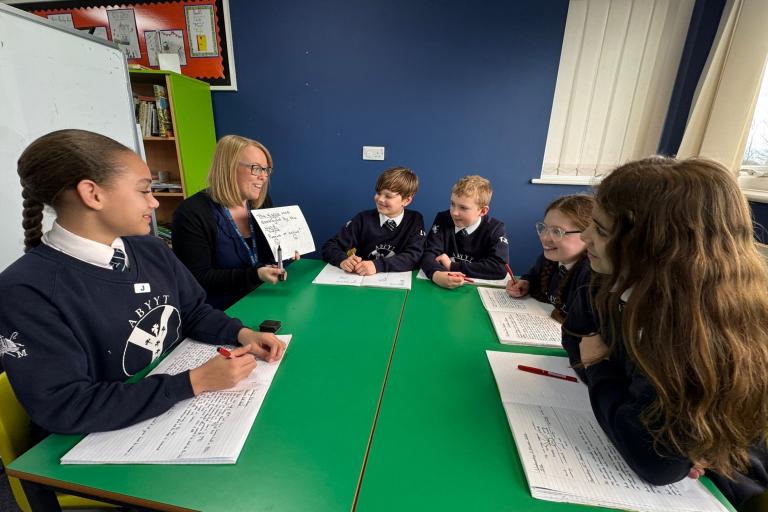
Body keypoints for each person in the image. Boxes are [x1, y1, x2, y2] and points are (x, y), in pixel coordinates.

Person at [0, 129, 286, 435]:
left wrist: (241, 333)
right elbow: (65, 406)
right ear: (92, 194)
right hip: (98, 443)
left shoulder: (148, 248)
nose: (154, 202)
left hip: (169, 408)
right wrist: (196, 381)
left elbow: (193, 311)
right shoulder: (25, 289)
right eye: (143, 190)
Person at [562, 156, 768, 510]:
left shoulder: (697, 331)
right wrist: (619, 392)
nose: (584, 237)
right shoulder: (610, 278)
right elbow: (574, 338)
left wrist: (598, 366)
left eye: (602, 230)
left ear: (656, 249)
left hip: (726, 486)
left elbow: (656, 462)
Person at [172, 135, 289, 310]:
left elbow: (265, 256)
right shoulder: (192, 213)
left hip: (263, 297)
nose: (263, 177)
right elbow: (197, 277)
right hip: (219, 311)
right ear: (229, 168)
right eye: (256, 169)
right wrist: (255, 275)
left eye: (266, 170)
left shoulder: (262, 204)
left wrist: (284, 251)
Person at [321, 166, 425, 275]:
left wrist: (377, 265)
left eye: (388, 196)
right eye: (378, 193)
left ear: (406, 200)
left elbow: (415, 256)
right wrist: (342, 260)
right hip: (362, 281)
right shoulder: (362, 219)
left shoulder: (414, 220)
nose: (380, 199)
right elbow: (329, 247)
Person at [506, 194, 593, 322]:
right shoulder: (550, 259)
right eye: (544, 228)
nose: (544, 237)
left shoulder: (590, 274)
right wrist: (526, 283)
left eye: (557, 231)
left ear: (588, 235)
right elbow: (533, 277)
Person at [420, 175, 508, 289]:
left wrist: (452, 266)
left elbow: (499, 268)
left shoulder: (495, 228)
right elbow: (428, 254)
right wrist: (436, 275)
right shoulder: (443, 219)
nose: (454, 212)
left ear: (482, 211)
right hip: (442, 284)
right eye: (452, 204)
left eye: (463, 208)